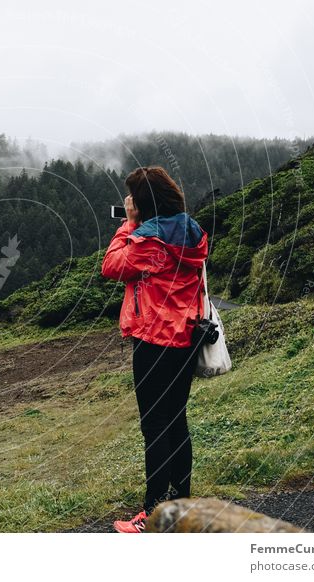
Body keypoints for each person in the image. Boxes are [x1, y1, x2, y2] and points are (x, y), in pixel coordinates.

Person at [101, 166, 208, 533]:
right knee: (176, 419)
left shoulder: (147, 242)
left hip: (155, 340)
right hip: (187, 338)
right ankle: (182, 504)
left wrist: (128, 224)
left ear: (143, 205)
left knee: (155, 425)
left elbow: (111, 265)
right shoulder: (191, 233)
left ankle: (154, 513)